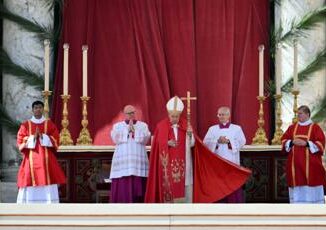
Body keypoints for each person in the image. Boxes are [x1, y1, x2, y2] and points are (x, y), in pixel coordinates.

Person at [145, 96, 251, 203]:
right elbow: (156, 143)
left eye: (176, 116)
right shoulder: (161, 126)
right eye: (172, 116)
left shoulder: (186, 124)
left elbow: (193, 144)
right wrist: (166, 143)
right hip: (168, 165)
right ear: (168, 114)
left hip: (222, 161)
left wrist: (190, 136)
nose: (174, 119)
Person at [16, 101, 66, 203]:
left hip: (46, 160)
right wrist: (32, 137)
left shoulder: (49, 124)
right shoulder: (26, 125)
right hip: (30, 159)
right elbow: (20, 140)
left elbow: (56, 139)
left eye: (40, 107)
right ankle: (29, 204)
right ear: (32, 110)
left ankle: (48, 203)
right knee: (28, 178)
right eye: (35, 108)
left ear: (43, 109)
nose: (38, 109)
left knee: (48, 179)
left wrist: (43, 136)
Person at [281, 105, 326, 203]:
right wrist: (292, 142)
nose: (298, 116)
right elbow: (284, 140)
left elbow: (321, 143)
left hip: (311, 166)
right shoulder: (292, 128)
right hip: (295, 166)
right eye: (298, 114)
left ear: (307, 114)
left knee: (312, 192)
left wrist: (306, 143)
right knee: (297, 192)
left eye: (300, 113)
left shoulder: (315, 128)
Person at [203, 106, 246, 203]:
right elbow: (206, 142)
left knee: (232, 184)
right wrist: (217, 141)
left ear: (229, 115)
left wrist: (229, 141)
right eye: (219, 114)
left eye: (223, 114)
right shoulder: (212, 129)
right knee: (219, 185)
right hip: (217, 162)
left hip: (232, 161)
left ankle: (233, 204)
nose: (221, 116)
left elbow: (242, 141)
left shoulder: (237, 129)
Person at [109, 105, 151, 203]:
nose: (131, 115)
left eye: (132, 112)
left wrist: (135, 131)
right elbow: (115, 138)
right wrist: (127, 131)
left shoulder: (142, 125)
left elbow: (146, 138)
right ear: (124, 114)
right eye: (128, 113)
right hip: (124, 160)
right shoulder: (118, 126)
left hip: (138, 160)